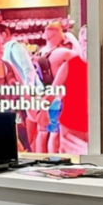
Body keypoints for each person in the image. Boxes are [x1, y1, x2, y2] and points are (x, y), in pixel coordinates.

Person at [32, 21, 72, 153]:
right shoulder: (62, 53)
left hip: (40, 96)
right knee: (54, 134)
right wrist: (70, 38)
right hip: (55, 97)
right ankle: (53, 160)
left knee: (42, 132)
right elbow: (83, 57)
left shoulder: (40, 53)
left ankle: (39, 159)